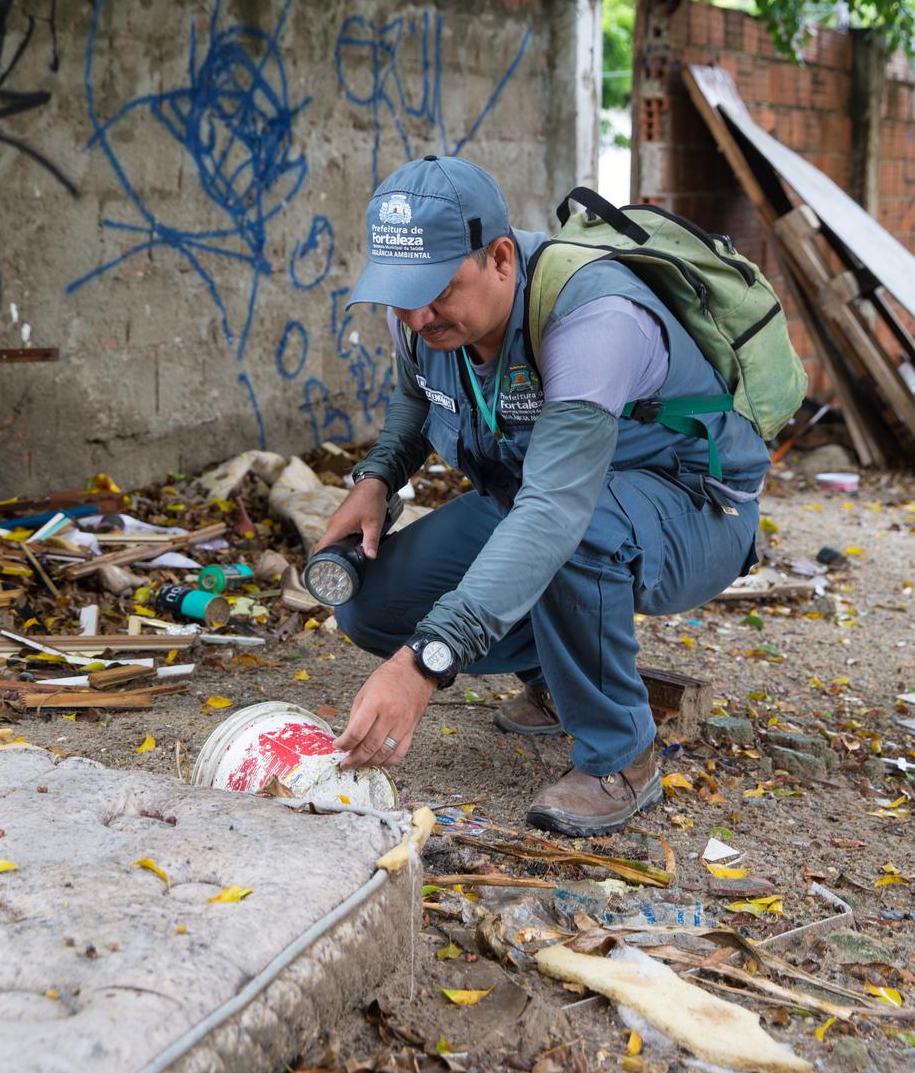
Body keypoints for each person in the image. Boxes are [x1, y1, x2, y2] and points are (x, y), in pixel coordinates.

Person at [317, 155, 768, 836]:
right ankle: (559, 678)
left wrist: (428, 661)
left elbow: (558, 509)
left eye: (435, 288)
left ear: (500, 258)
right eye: (398, 292)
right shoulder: (422, 314)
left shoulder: (593, 318)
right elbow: (418, 396)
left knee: (575, 534)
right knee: (370, 602)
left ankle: (621, 754)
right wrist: (377, 476)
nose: (414, 313)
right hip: (545, 494)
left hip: (690, 509)